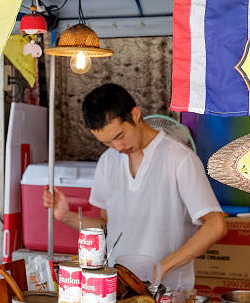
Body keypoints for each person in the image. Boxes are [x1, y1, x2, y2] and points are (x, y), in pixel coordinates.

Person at [43, 83, 227, 290]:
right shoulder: (107, 162)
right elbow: (107, 225)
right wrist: (66, 216)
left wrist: (161, 268)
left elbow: (215, 225)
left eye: (120, 136)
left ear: (136, 114)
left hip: (168, 294)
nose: (118, 147)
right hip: (119, 289)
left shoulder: (180, 159)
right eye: (107, 143)